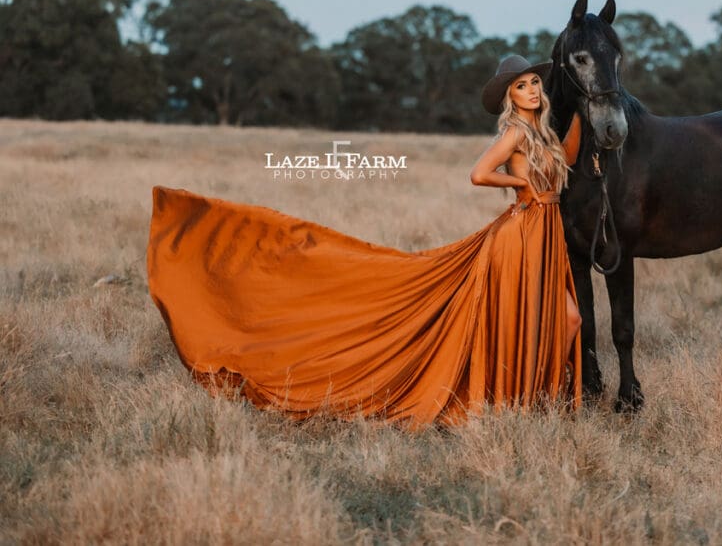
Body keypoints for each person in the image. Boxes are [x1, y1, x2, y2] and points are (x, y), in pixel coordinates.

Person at [146, 54, 584, 429]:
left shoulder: (543, 134)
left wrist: (584, 110)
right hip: (521, 233)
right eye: (521, 86)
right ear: (509, 97)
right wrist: (522, 186)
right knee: (524, 317)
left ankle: (536, 400)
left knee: (567, 319)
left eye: (534, 84)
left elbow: (567, 157)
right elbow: (477, 173)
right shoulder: (514, 134)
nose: (530, 90)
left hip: (547, 234)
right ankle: (520, 404)